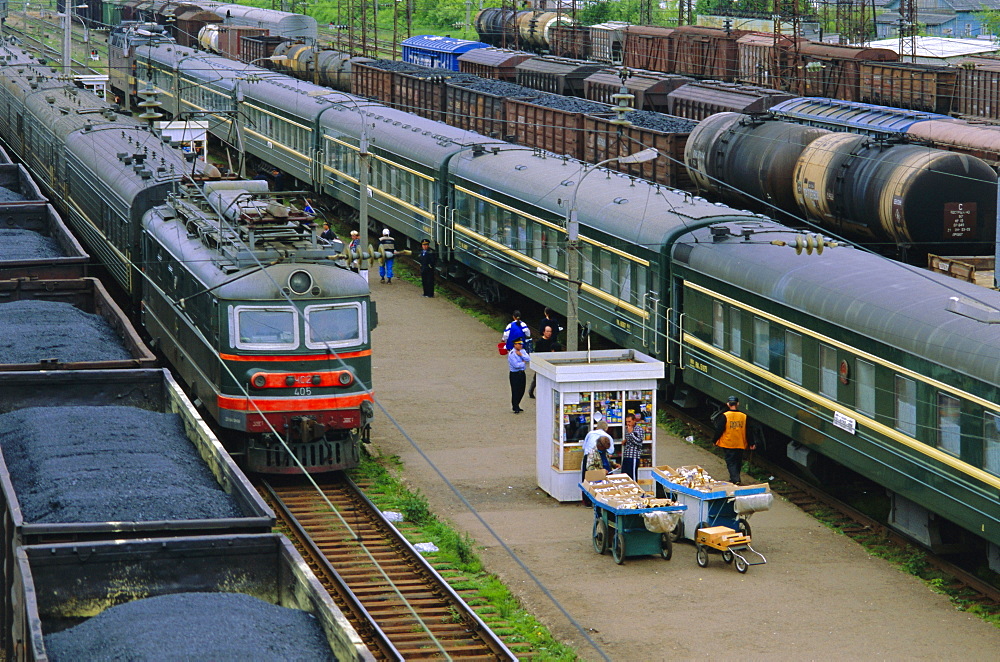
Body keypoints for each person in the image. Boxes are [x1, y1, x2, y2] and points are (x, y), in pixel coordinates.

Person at [714, 396, 755, 485]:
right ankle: (734, 477)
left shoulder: (725, 416)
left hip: (728, 443)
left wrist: (715, 440)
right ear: (738, 404)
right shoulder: (744, 416)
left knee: (731, 462)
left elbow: (719, 430)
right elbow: (748, 431)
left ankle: (735, 479)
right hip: (740, 442)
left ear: (728, 404)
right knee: (738, 461)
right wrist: (751, 443)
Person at [581, 420, 614, 502]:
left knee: (586, 480)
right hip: (593, 458)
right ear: (606, 429)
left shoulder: (590, 433)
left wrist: (613, 464)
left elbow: (584, 446)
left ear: (597, 427)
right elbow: (611, 451)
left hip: (587, 455)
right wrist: (601, 472)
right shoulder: (608, 437)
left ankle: (587, 501)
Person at [527, 325, 562, 399]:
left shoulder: (552, 341)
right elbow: (536, 352)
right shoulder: (539, 342)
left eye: (550, 331)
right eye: (547, 331)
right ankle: (531, 391)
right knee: (537, 378)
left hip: (550, 361)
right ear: (544, 332)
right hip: (541, 361)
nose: (549, 333)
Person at [507, 338, 530, 413]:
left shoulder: (522, 351)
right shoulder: (512, 354)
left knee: (522, 390)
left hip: (522, 373)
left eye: (521, 344)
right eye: (519, 344)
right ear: (515, 345)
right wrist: (523, 363)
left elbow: (528, 358)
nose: (521, 345)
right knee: (515, 390)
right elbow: (516, 365)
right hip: (515, 374)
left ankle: (517, 404)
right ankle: (515, 406)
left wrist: (521, 355)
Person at [621, 412, 644, 481]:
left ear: (634, 420)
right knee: (625, 475)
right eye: (626, 422)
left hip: (634, 456)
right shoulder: (627, 429)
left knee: (632, 476)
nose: (628, 423)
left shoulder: (639, 429)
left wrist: (631, 433)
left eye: (629, 421)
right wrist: (626, 440)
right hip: (626, 455)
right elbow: (630, 440)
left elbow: (639, 442)